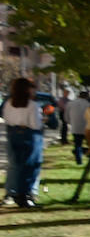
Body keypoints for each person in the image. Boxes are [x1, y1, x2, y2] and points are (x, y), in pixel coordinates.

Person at [3, 77, 44, 207]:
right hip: (29, 135)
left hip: (13, 133)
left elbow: (6, 119)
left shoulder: (9, 103)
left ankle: (12, 191)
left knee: (15, 164)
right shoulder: (32, 105)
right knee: (30, 165)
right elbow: (35, 124)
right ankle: (25, 194)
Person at [66, 89, 90, 165]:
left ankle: (79, 159)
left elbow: (66, 116)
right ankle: (83, 153)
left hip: (75, 127)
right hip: (87, 127)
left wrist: (70, 122)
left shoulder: (70, 103)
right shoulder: (89, 105)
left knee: (77, 144)